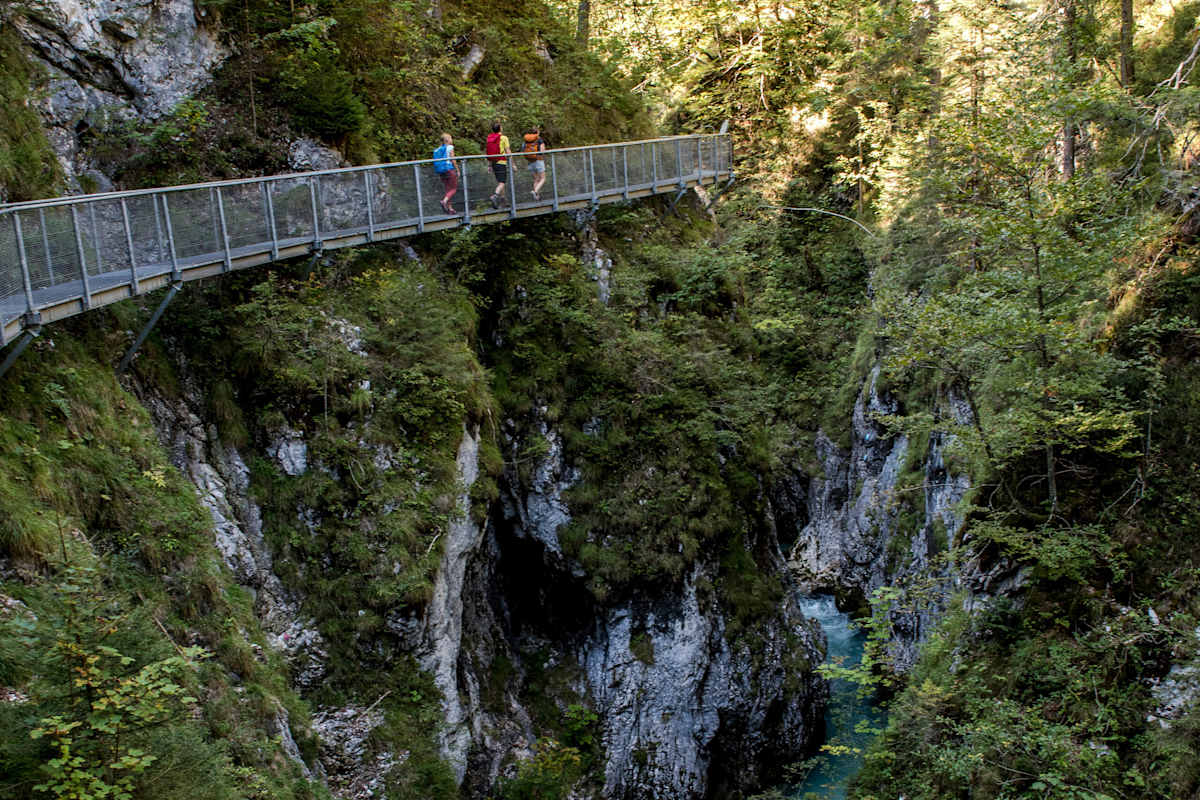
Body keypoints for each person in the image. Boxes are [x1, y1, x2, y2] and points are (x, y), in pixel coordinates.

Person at [485, 122, 511, 209]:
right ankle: (495, 196)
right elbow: (508, 151)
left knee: (500, 182)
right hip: (501, 162)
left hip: (493, 162)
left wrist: (489, 165)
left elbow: (489, 152)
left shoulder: (489, 138)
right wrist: (513, 163)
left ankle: (504, 201)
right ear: (500, 128)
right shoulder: (504, 138)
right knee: (502, 182)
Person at [432, 132, 459, 214]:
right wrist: (457, 170)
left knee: (448, 189)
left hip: (441, 171)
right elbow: (453, 160)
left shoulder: (438, 149)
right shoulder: (450, 147)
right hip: (449, 169)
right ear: (447, 140)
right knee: (453, 189)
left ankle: (450, 208)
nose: (452, 140)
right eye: (451, 138)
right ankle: (444, 201)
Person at [522, 127, 547, 201]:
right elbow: (542, 151)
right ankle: (535, 192)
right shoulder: (539, 139)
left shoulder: (526, 140)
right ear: (537, 132)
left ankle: (537, 197)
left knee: (536, 179)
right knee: (543, 178)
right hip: (539, 160)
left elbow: (523, 149)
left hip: (530, 161)